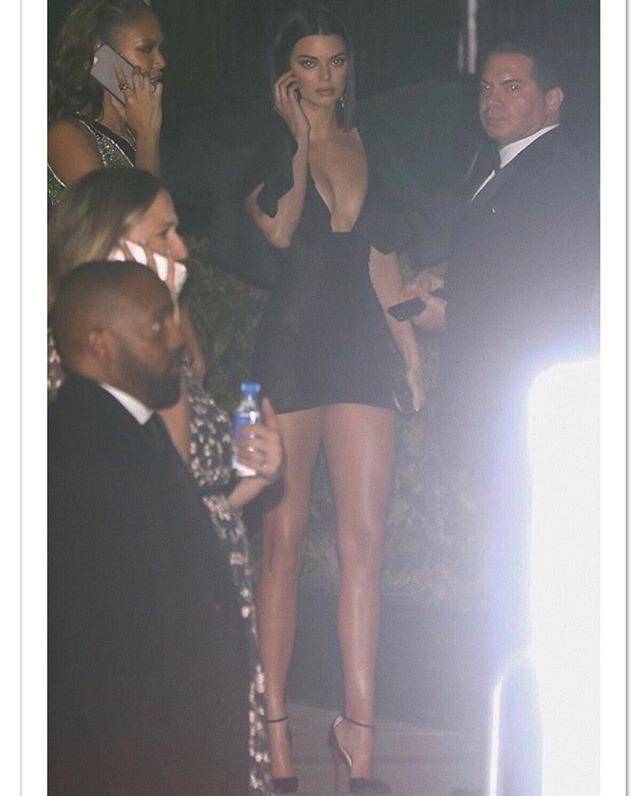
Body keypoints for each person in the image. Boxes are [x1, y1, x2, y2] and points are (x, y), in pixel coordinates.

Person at [48, 169, 280, 795]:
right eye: (163, 233)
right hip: (146, 640)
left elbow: (183, 497)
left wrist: (251, 484)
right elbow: (137, 498)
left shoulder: (154, 343)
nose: (181, 250)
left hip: (202, 599)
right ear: (110, 243)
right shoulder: (79, 357)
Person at [406, 40, 599, 792]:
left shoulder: (557, 172)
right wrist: (447, 291)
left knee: (528, 571)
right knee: (513, 564)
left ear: (553, 100)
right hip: (512, 402)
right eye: (487, 86)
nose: (493, 98)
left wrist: (447, 311)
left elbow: (536, 291)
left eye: (513, 86)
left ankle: (532, 753)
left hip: (526, 403)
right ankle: (519, 747)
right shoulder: (508, 170)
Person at [243, 4, 424, 793]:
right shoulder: (268, 146)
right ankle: (274, 727)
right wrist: (294, 140)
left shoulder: (369, 141)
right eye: (309, 63)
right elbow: (281, 231)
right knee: (281, 542)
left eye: (337, 60)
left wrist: (410, 354)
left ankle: (360, 732)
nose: (325, 76)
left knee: (365, 543)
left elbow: (382, 259)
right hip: (289, 353)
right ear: (286, 73)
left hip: (360, 353)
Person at [48, 0, 164, 207]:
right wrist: (147, 135)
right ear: (101, 52)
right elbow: (131, 219)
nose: (161, 62)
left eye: (160, 48)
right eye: (146, 49)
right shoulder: (65, 135)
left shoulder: (131, 133)